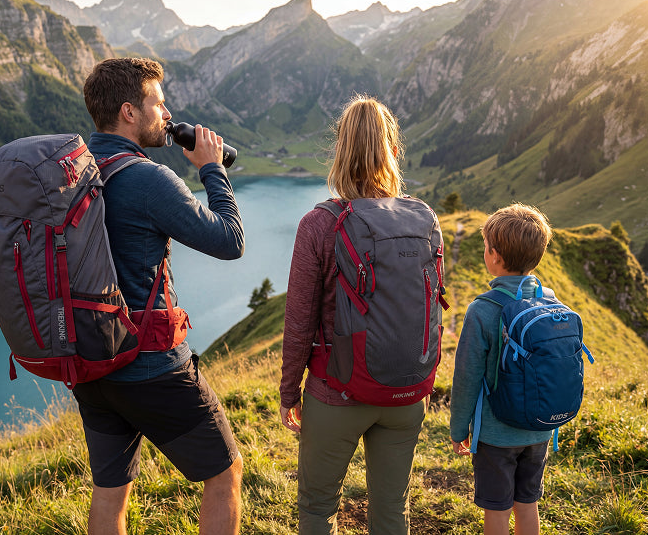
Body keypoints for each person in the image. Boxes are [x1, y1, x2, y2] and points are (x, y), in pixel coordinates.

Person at [74, 57, 244, 535]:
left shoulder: (77, 171)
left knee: (111, 490)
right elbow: (230, 241)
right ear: (129, 111)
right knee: (225, 472)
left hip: (91, 364)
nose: (167, 115)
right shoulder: (148, 179)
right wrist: (212, 170)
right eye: (158, 103)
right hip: (150, 366)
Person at [279, 94, 429, 534]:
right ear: (393, 153)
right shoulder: (421, 219)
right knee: (391, 511)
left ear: (340, 152)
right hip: (405, 395)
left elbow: (299, 321)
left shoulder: (319, 224)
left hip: (336, 393)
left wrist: (290, 392)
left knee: (318, 508)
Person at [449, 203, 554, 535]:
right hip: (539, 429)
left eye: (485, 247)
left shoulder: (481, 310)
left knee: (496, 509)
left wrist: (457, 429)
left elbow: (467, 377)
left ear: (493, 256)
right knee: (528, 504)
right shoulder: (549, 300)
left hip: (495, 435)